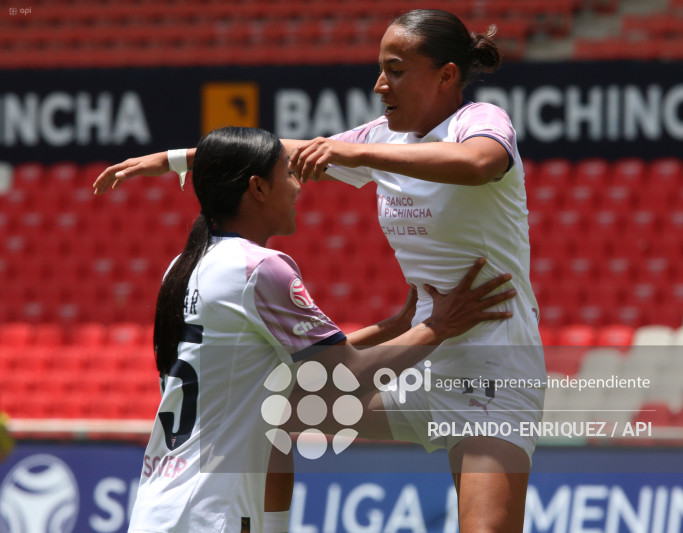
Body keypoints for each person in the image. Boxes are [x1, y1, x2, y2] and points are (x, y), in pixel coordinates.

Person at [95, 9, 545, 532]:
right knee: (274, 413)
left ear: (446, 75)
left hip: (492, 365)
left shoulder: (480, 121)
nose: (380, 84)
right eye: (380, 69)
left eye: (395, 70)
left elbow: (479, 164)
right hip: (421, 356)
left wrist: (358, 153)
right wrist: (179, 159)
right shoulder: (383, 139)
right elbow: (274, 155)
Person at [124, 126, 517, 533]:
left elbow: (280, 366)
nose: (298, 186)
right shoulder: (260, 268)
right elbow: (344, 376)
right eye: (287, 174)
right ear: (257, 188)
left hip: (158, 504)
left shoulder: (183, 267)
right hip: (210, 510)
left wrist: (396, 326)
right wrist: (438, 326)